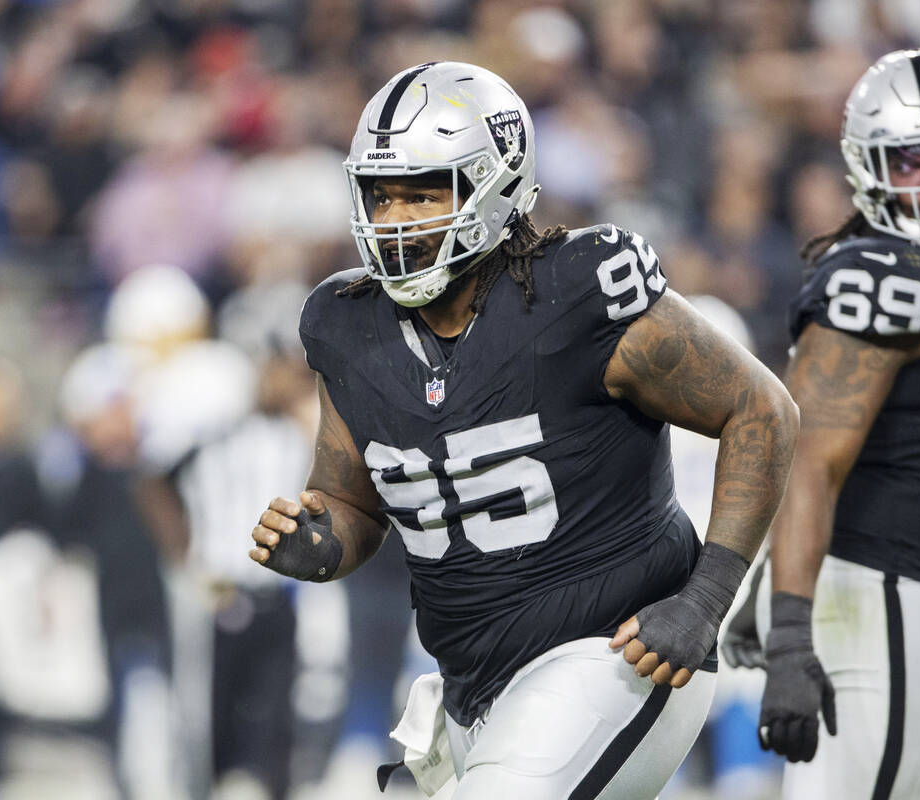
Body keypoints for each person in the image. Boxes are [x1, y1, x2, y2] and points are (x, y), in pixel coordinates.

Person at [249, 61, 798, 799]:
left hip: (614, 652)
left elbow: (761, 409)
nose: (395, 218)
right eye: (382, 196)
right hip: (470, 684)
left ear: (492, 184)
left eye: (423, 192)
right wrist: (317, 544)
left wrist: (705, 600)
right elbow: (352, 504)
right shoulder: (345, 324)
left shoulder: (578, 290)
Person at [756, 48, 920, 799]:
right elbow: (808, 456)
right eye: (911, 163)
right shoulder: (879, 274)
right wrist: (789, 635)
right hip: (876, 604)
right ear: (868, 167)